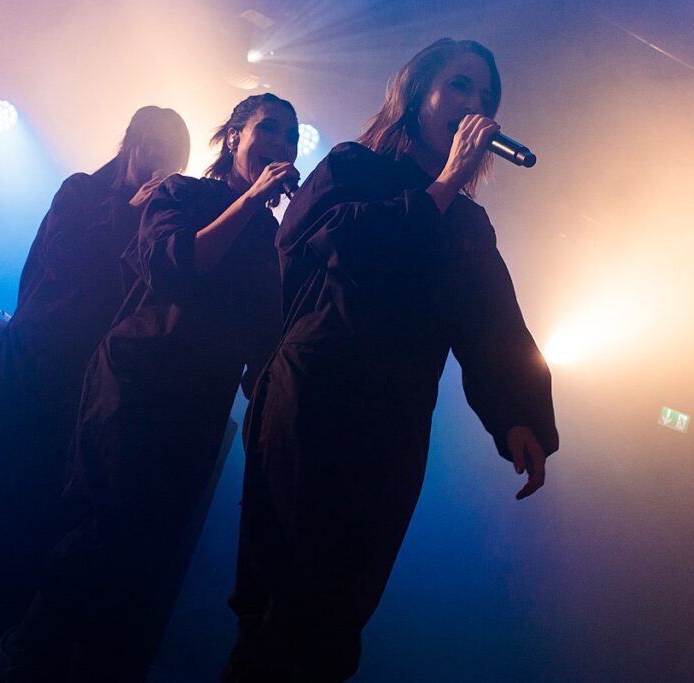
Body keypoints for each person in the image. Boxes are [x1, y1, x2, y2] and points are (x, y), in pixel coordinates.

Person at [223, 39, 559, 682]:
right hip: (312, 407)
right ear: (416, 95)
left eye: (486, 97)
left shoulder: (467, 225)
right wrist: (440, 186)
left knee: (333, 626)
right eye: (460, 86)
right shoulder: (353, 168)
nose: (475, 106)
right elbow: (334, 248)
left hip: (391, 430)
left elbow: (494, 323)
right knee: (284, 616)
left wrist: (520, 413)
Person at [0, 93, 300, 682]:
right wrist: (253, 200)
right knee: (89, 546)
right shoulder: (181, 194)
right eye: (268, 130)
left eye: (291, 137)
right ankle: (14, 658)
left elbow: (263, 346)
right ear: (233, 136)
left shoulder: (271, 244)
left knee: (136, 575)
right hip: (130, 393)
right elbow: (173, 265)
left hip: (193, 418)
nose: (281, 145)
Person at [0, 106, 191, 531]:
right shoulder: (81, 191)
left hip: (89, 383)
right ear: (131, 144)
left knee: (43, 512)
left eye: (173, 154)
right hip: (35, 362)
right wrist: (126, 211)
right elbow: (64, 261)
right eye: (154, 146)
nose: (161, 160)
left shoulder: (157, 227)